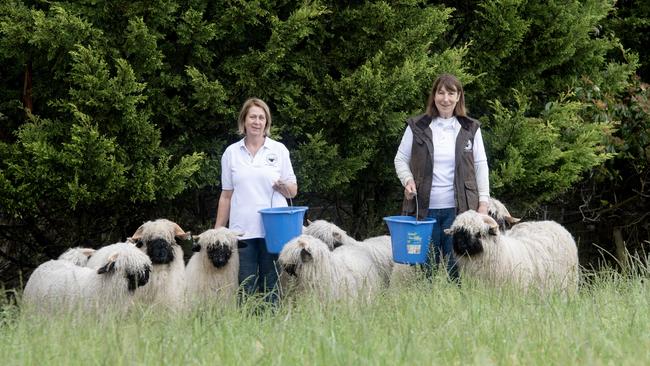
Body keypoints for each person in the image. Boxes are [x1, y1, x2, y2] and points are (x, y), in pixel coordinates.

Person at [394, 73, 489, 280]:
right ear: (434, 96)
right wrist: (408, 180)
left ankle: (454, 306)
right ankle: (427, 305)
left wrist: (483, 203)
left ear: (458, 97)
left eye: (451, 93)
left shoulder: (470, 128)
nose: (445, 99)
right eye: (441, 93)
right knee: (426, 269)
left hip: (459, 211)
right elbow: (400, 159)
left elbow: (481, 166)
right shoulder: (417, 126)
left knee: (456, 269)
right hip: (423, 211)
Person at [215, 98, 297, 304]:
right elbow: (226, 195)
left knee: (272, 283)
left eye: (261, 118)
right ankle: (246, 327)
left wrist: (283, 187)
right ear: (244, 120)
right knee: (245, 283)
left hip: (274, 231)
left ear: (266, 123)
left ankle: (271, 327)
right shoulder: (231, 153)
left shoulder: (279, 150)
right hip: (242, 230)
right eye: (252, 117)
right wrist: (218, 230)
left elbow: (293, 192)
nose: (257, 122)